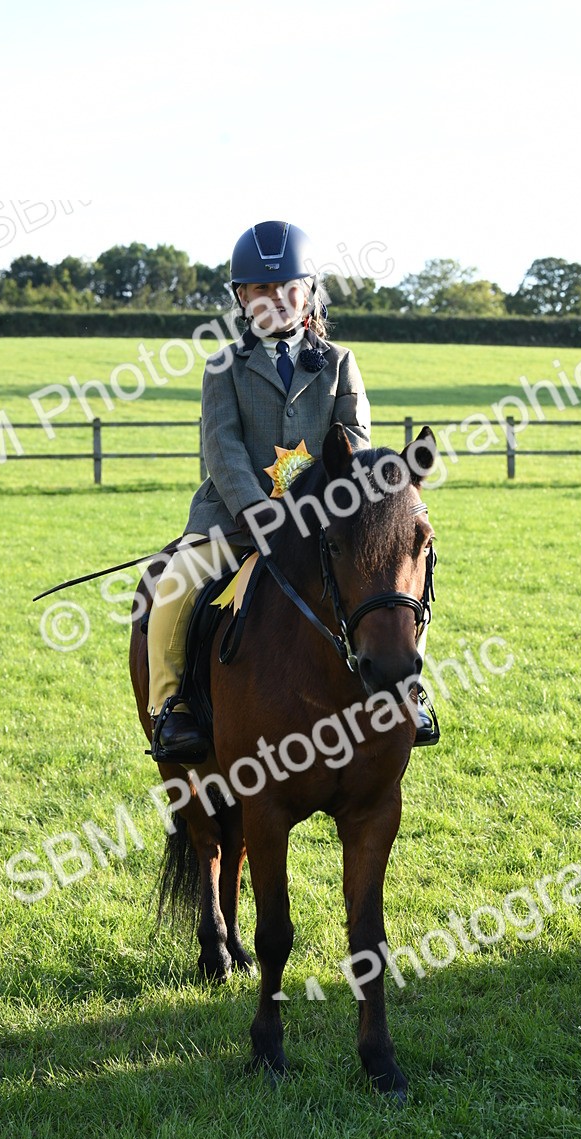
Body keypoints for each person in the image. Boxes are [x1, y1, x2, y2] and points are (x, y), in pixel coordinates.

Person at [146, 220, 437, 762]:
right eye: (260, 289)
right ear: (241, 297)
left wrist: (322, 507)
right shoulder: (224, 368)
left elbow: (354, 444)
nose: (274, 299)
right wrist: (255, 510)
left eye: (286, 288)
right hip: (234, 521)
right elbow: (222, 447)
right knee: (174, 586)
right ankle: (171, 706)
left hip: (323, 520)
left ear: (308, 292)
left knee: (398, 582)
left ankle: (409, 692)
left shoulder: (340, 362)